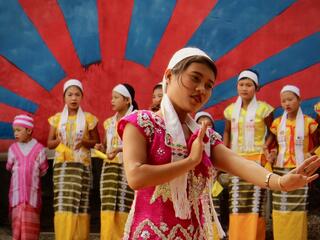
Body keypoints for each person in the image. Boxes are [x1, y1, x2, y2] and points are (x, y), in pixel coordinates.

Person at [117, 47, 320, 240]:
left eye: (208, 85)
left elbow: (240, 163)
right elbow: (136, 177)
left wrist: (279, 182)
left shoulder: (203, 137)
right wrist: (190, 161)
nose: (201, 90)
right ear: (169, 76)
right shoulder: (142, 123)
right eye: (195, 78)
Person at [223, 69, 274, 240]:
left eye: (249, 85)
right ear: (237, 86)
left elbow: (272, 132)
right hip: (236, 161)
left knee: (255, 204)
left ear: (256, 88)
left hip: (257, 161)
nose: (244, 88)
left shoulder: (264, 109)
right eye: (241, 84)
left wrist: (265, 148)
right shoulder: (230, 111)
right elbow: (227, 133)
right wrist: (224, 153)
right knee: (236, 203)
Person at [47, 79, 100, 240]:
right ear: (64, 97)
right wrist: (59, 141)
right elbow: (49, 143)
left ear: (82, 97)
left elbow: (96, 143)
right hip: (62, 167)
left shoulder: (89, 119)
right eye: (70, 94)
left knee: (80, 202)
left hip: (81, 166)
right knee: (63, 203)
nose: (73, 98)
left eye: (77, 94)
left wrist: (84, 142)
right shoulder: (56, 119)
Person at [265, 85, 319, 240]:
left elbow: (317, 143)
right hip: (280, 170)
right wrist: (272, 153)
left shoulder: (309, 123)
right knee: (280, 208)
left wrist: (312, 153)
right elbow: (273, 144)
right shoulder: (276, 123)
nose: (286, 103)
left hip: (300, 169)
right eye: (283, 101)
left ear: (299, 100)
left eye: (290, 99)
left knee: (297, 208)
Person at [94, 83, 137, 240]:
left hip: (127, 168)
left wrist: (119, 149)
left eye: (116, 97)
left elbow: (137, 145)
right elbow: (106, 145)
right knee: (108, 204)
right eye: (112, 97)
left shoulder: (134, 120)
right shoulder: (109, 123)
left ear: (127, 100)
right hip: (109, 170)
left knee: (124, 204)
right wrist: (101, 146)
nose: (112, 101)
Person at [6, 114, 48, 240]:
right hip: (17, 197)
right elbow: (9, 167)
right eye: (14, 131)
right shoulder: (13, 149)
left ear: (29, 130)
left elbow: (43, 170)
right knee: (17, 227)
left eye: (19, 130)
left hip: (32, 197)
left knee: (30, 230)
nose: (15, 134)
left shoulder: (39, 149)